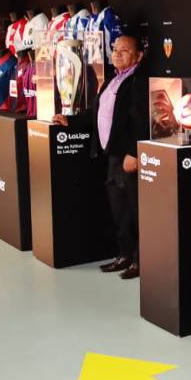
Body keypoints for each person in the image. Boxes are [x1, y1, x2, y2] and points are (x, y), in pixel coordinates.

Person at [53, 34, 148, 279]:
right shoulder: (111, 81)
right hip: (112, 157)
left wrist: (134, 152)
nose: (117, 53)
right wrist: (70, 121)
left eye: (125, 50)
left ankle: (142, 262)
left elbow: (142, 120)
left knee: (137, 212)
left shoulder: (139, 80)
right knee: (119, 211)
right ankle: (125, 255)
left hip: (128, 158)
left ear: (139, 56)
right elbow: (96, 113)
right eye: (115, 49)